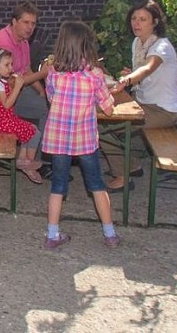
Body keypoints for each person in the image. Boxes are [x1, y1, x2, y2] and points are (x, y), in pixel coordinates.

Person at [42, 20, 120, 250]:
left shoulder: (54, 73)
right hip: (85, 140)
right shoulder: (95, 75)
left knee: (58, 187)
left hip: (58, 140)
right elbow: (108, 107)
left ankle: (52, 234)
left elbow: (50, 98)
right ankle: (110, 233)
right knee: (97, 185)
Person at [108, 0, 177, 191]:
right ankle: (131, 166)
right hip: (142, 103)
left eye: (143, 19)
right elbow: (141, 73)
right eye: (134, 18)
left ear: (155, 22)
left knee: (105, 130)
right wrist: (130, 75)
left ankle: (123, 175)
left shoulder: (161, 47)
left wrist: (127, 80)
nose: (136, 23)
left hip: (163, 111)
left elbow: (148, 68)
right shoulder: (138, 43)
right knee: (102, 117)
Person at [0, 1, 49, 143]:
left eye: (33, 24)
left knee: (45, 101)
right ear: (14, 21)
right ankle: (40, 158)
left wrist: (42, 92)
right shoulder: (4, 44)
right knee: (45, 110)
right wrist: (42, 74)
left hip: (11, 89)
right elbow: (12, 81)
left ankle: (30, 151)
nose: (30, 27)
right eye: (26, 22)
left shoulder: (23, 40)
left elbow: (27, 70)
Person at [0, 48, 43, 184]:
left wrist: (12, 84)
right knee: (35, 133)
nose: (10, 68)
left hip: (6, 119)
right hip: (2, 122)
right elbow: (7, 104)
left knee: (31, 127)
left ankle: (23, 158)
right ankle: (28, 164)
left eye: (11, 64)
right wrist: (17, 87)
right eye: (6, 65)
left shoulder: (0, 82)